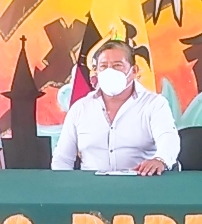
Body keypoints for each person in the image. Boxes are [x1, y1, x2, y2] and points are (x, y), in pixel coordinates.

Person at [51, 40, 179, 175]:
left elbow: (168, 138)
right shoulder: (80, 108)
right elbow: (62, 159)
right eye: (103, 66)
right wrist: (65, 185)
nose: (109, 71)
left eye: (117, 65)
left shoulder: (154, 104)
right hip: (91, 185)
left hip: (140, 182)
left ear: (134, 71)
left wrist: (160, 160)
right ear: (96, 71)